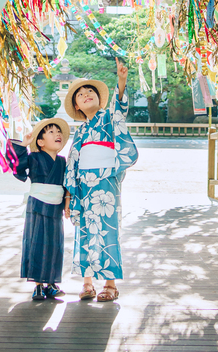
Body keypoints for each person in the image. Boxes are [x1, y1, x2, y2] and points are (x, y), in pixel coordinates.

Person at [64, 58, 138, 302]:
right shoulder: (80, 132)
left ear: (99, 98)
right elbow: (72, 163)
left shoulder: (109, 117)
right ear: (76, 105)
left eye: (90, 91)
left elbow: (120, 110)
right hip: (84, 184)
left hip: (106, 181)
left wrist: (122, 81)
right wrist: (69, 194)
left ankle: (110, 284)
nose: (86, 95)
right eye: (81, 94)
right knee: (84, 231)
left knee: (107, 230)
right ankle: (87, 283)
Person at [9, 117, 71, 301]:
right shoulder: (34, 157)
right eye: (51, 132)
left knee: (55, 244)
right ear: (40, 142)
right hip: (37, 205)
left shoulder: (62, 161)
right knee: (36, 242)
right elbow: (16, 168)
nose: (57, 134)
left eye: (58, 132)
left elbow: (67, 184)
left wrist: (67, 204)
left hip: (56, 207)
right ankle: (38, 285)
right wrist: (24, 145)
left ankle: (51, 283)